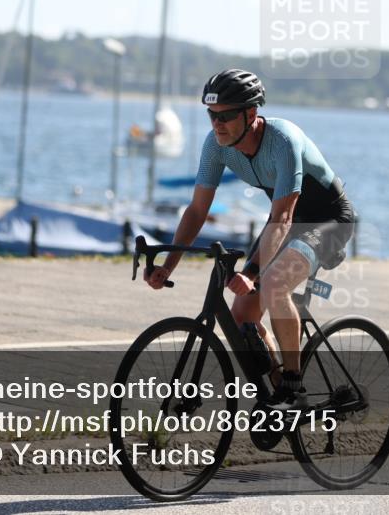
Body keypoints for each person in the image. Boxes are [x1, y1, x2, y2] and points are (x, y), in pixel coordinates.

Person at [144, 69, 356, 409]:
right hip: (284, 220)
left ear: (251, 114)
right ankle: (277, 393)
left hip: (328, 219)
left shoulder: (283, 140)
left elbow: (283, 216)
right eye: (211, 115)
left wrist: (253, 272)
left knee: (274, 284)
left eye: (226, 116)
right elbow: (196, 211)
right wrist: (168, 265)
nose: (217, 124)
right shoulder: (216, 146)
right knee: (242, 315)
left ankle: (293, 387)